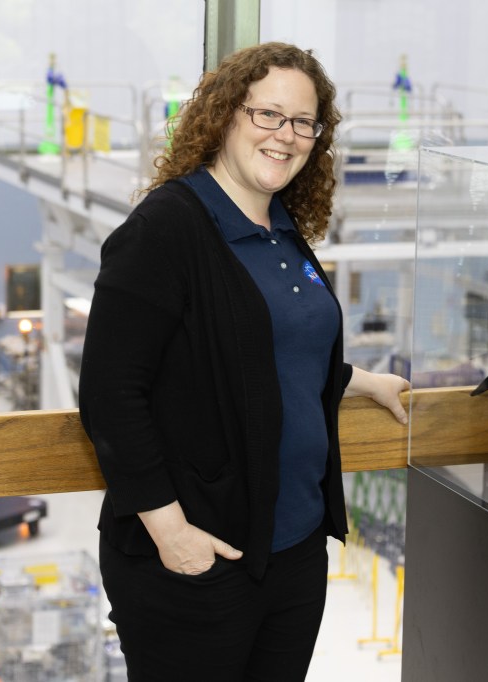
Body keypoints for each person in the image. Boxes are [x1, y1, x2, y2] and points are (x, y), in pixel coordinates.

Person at [78, 41, 410, 682]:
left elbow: (268, 354)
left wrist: (360, 382)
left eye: (303, 123)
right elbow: (111, 396)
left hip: (293, 552)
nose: (285, 136)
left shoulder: (283, 230)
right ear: (226, 114)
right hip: (198, 559)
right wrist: (172, 536)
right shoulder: (166, 229)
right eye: (267, 115)